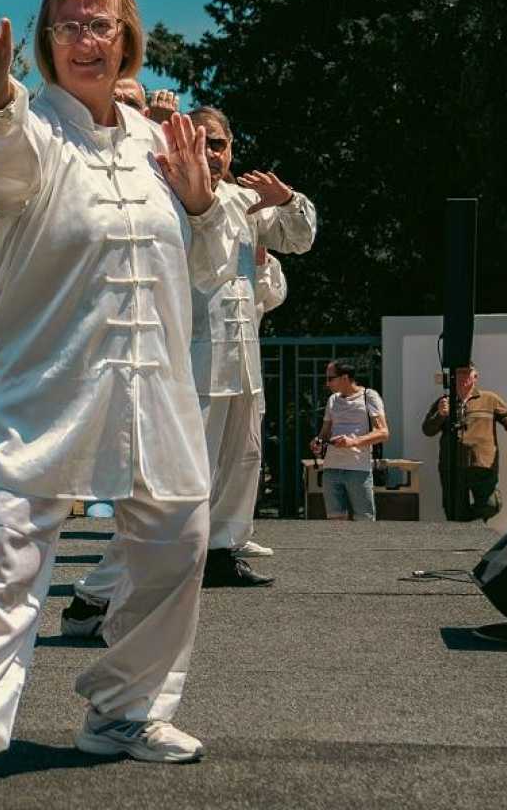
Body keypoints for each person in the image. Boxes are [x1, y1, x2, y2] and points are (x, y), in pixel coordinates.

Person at [0, 0, 235, 802]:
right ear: (45, 41)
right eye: (70, 23)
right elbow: (2, 171)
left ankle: (123, 710)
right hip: (46, 386)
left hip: (154, 390)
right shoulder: (33, 125)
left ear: (127, 38)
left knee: (178, 543)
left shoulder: (162, 141)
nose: (87, 37)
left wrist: (198, 205)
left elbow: (210, 268)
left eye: (101, 23)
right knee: (0, 557)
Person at [66, 104, 315, 611]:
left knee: (242, 459)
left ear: (232, 146)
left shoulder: (246, 200)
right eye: (202, 143)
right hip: (189, 359)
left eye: (219, 144)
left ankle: (222, 550)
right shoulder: (166, 198)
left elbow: (300, 239)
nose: (214, 154)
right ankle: (101, 592)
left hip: (242, 354)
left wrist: (285, 199)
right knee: (177, 478)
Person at [422, 363, 507, 521]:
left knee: (491, 505)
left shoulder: (490, 399)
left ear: (475, 377)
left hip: (482, 465)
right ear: (453, 377)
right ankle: (464, 536)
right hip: (452, 466)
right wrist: (440, 414)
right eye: (459, 373)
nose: (463, 376)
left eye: (467, 373)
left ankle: (466, 523)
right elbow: (427, 430)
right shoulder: (444, 401)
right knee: (453, 511)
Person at [310, 360, 389, 521]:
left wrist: (353, 442)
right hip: (331, 468)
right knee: (335, 522)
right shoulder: (333, 399)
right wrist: (318, 442)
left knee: (364, 521)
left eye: (331, 378)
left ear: (345, 378)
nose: (327, 383)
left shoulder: (369, 396)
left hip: (358, 469)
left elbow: (383, 432)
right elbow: (324, 433)